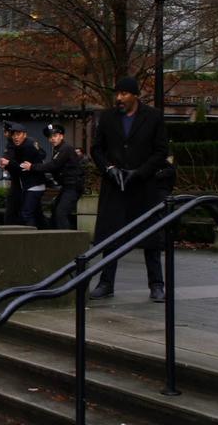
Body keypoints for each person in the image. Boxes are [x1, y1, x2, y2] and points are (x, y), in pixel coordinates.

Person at [89, 76, 169, 303]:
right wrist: (109, 168)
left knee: (150, 235)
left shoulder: (153, 117)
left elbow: (161, 151)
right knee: (111, 236)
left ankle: (156, 284)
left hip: (143, 186)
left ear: (135, 95)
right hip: (115, 185)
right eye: (117, 94)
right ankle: (106, 282)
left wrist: (140, 172)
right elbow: (96, 149)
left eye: (124, 94)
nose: (119, 98)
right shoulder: (107, 117)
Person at [20, 123, 84, 230]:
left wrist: (32, 167)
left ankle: (67, 240)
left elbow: (53, 165)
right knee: (55, 210)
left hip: (73, 187)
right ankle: (55, 236)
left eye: (55, 136)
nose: (52, 139)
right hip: (67, 186)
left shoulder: (66, 148)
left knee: (61, 213)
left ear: (61, 136)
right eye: (50, 137)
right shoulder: (57, 149)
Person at [1, 123, 47, 228]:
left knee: (26, 214)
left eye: (18, 134)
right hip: (29, 185)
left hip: (34, 185)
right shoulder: (21, 145)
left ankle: (31, 239)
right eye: (13, 135)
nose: (15, 137)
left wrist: (8, 163)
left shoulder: (28, 146)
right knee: (37, 214)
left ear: (24, 135)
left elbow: (22, 167)